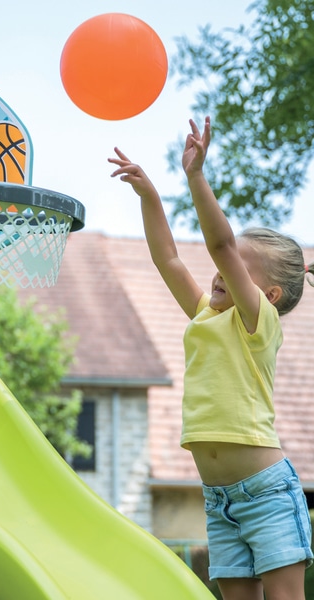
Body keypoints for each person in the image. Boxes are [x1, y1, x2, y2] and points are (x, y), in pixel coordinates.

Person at [108, 117, 314, 600]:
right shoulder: (205, 314)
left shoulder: (258, 322)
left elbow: (220, 244)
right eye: (223, 266)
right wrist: (150, 197)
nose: (221, 270)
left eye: (236, 266)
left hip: (265, 491)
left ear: (268, 292)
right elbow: (169, 260)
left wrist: (196, 177)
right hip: (218, 498)